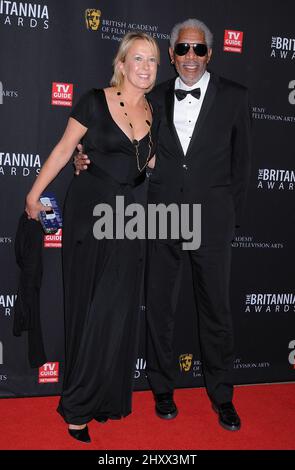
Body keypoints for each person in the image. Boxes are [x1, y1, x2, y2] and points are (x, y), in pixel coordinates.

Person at [74, 18, 252, 432]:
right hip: (163, 215)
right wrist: (85, 160)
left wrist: (232, 220)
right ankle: (162, 389)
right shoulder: (152, 97)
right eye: (183, 50)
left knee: (217, 312)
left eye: (199, 49)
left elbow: (243, 165)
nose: (191, 57)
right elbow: (120, 137)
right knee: (160, 308)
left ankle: (222, 394)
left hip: (213, 220)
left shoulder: (236, 97)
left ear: (210, 53)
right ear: (171, 56)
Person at [25, 32, 160, 443]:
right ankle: (77, 407)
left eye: (153, 61)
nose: (146, 67)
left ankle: (103, 396)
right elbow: (67, 149)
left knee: (116, 311)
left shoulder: (156, 111)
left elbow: (155, 162)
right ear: (121, 64)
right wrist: (35, 193)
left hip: (129, 219)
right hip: (89, 212)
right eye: (138, 58)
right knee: (89, 307)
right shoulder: (94, 100)